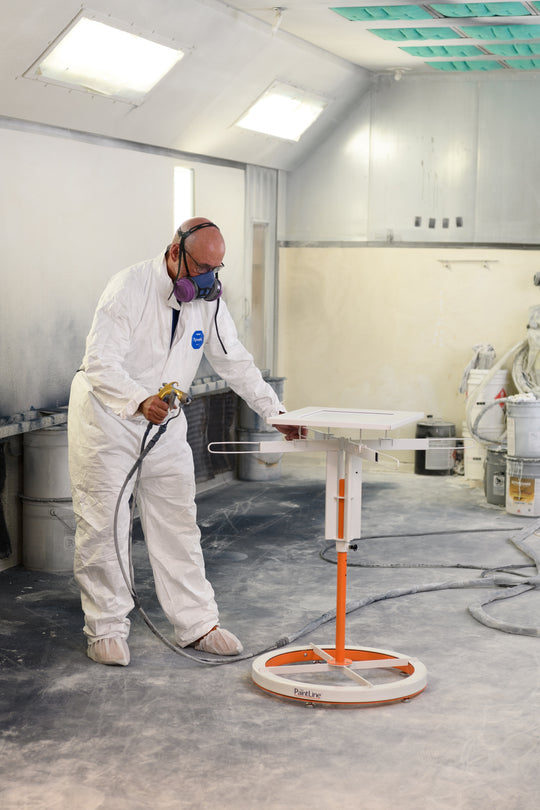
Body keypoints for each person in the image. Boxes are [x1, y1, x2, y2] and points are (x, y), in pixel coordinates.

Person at [68, 217, 302, 666]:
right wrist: (138, 400)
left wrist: (275, 413)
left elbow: (235, 362)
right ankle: (106, 628)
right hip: (108, 419)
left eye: (218, 269)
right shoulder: (128, 288)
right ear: (175, 253)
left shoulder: (207, 302)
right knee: (104, 524)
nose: (210, 279)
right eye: (202, 268)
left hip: (165, 418)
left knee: (178, 519)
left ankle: (197, 624)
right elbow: (99, 362)